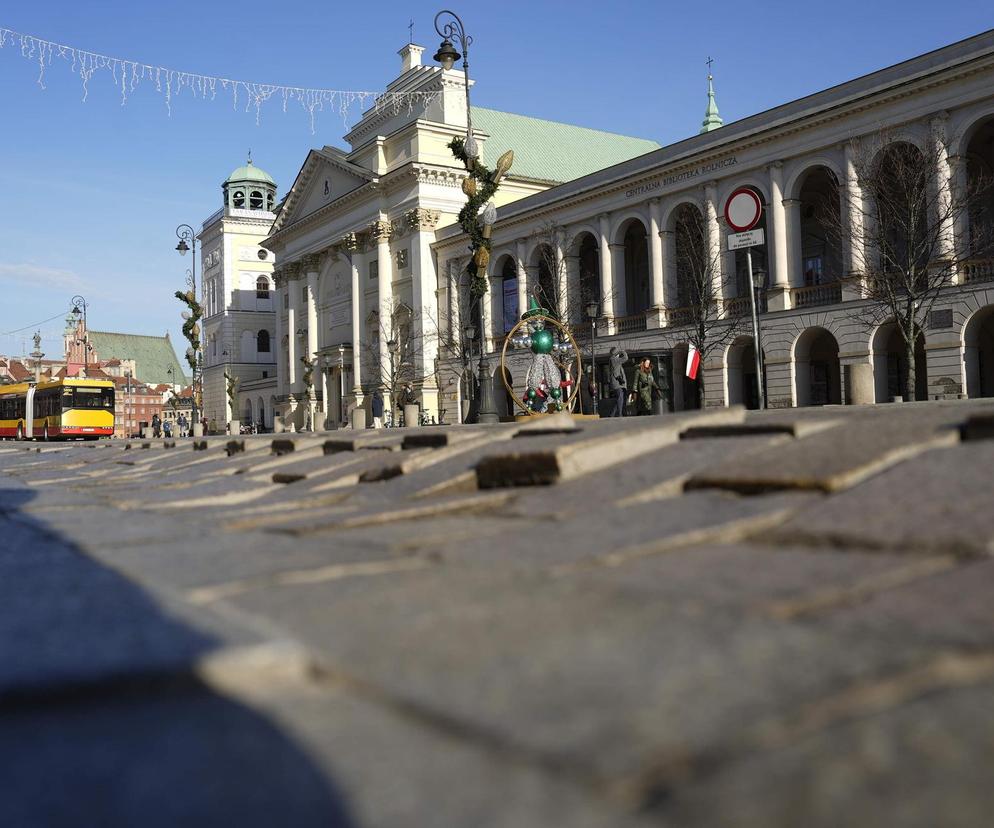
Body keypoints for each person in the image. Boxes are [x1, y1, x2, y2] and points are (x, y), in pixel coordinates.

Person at [608, 347, 629, 417]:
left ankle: (612, 414)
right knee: (620, 398)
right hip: (617, 383)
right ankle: (620, 414)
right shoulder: (614, 359)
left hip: (617, 383)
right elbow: (626, 358)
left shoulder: (614, 360)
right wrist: (623, 351)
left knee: (619, 399)